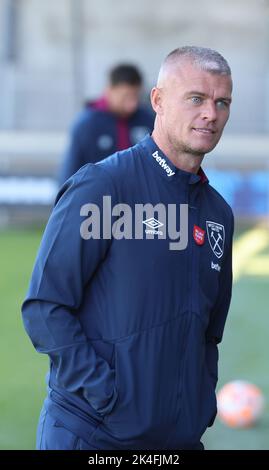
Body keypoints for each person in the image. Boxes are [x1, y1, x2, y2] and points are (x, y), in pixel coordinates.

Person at [22, 46, 234, 450]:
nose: (211, 113)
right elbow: (45, 307)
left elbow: (210, 333)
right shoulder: (104, 187)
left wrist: (198, 405)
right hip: (95, 437)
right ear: (157, 101)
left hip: (178, 442)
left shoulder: (217, 214)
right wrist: (107, 396)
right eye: (196, 98)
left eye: (221, 102)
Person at [58, 63, 154, 185]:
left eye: (135, 96)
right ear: (109, 90)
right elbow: (69, 173)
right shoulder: (87, 124)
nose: (132, 105)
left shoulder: (147, 119)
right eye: (125, 97)